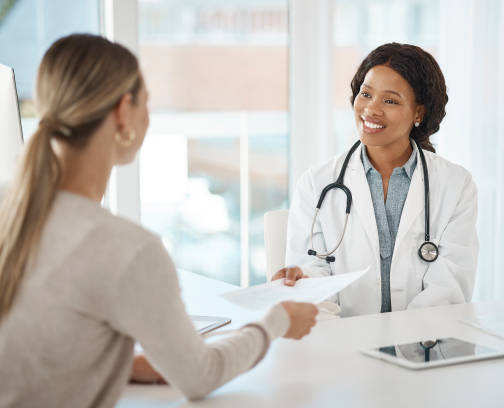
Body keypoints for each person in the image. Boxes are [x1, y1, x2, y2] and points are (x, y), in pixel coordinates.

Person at [0, 34, 317, 407]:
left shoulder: (13, 207)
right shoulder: (127, 249)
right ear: (123, 111)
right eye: (146, 103)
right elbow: (201, 375)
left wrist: (118, 365)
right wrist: (276, 319)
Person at [272, 43, 478, 317]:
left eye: (390, 100)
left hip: (422, 345)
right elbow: (315, 274)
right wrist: (303, 282)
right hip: (343, 346)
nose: (371, 109)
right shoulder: (316, 184)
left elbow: (449, 289)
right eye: (366, 94)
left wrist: (403, 340)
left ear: (419, 113)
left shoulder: (456, 185)